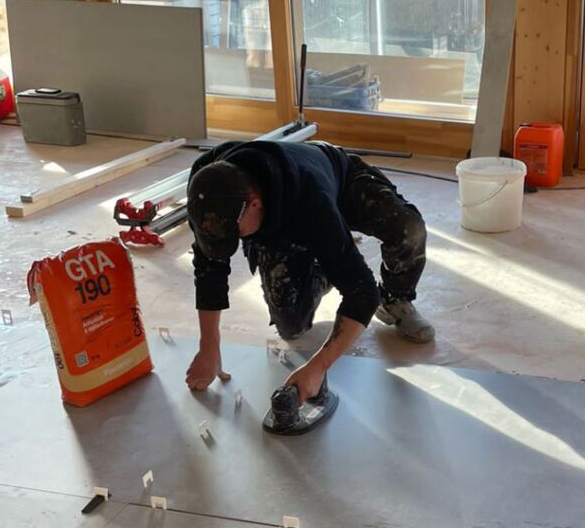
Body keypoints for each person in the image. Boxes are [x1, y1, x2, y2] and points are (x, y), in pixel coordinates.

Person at [184, 139, 434, 405]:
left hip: (338, 180)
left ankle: (395, 299)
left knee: (408, 230)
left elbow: (363, 293)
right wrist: (208, 346)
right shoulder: (206, 186)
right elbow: (209, 266)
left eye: (237, 233)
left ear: (255, 204)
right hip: (281, 217)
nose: (234, 240)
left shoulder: (310, 200)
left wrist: (318, 367)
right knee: (290, 325)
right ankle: (326, 268)